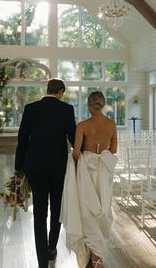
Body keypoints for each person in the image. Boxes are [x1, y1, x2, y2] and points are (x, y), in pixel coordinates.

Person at [14, 78, 76, 268]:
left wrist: (18, 169)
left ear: (47, 90)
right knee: (56, 210)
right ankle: (51, 248)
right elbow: (73, 138)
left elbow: (22, 140)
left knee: (39, 213)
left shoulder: (31, 108)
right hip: (58, 169)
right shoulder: (66, 110)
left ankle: (42, 260)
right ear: (61, 92)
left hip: (35, 168)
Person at [60, 91, 117, 268]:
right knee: (102, 209)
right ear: (103, 104)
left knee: (86, 210)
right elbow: (113, 150)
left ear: (89, 105)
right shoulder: (111, 124)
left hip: (87, 173)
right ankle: (97, 255)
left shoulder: (82, 125)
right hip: (103, 172)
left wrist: (79, 163)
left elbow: (76, 152)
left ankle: (91, 253)